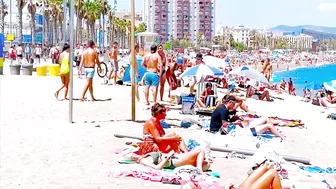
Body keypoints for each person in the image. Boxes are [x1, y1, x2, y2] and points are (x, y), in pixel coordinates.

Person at [135, 149, 210, 171]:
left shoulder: (146, 156)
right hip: (173, 161)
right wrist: (167, 157)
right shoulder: (143, 160)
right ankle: (198, 170)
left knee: (207, 164)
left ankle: (198, 168)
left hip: (175, 159)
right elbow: (157, 168)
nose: (133, 156)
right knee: (200, 151)